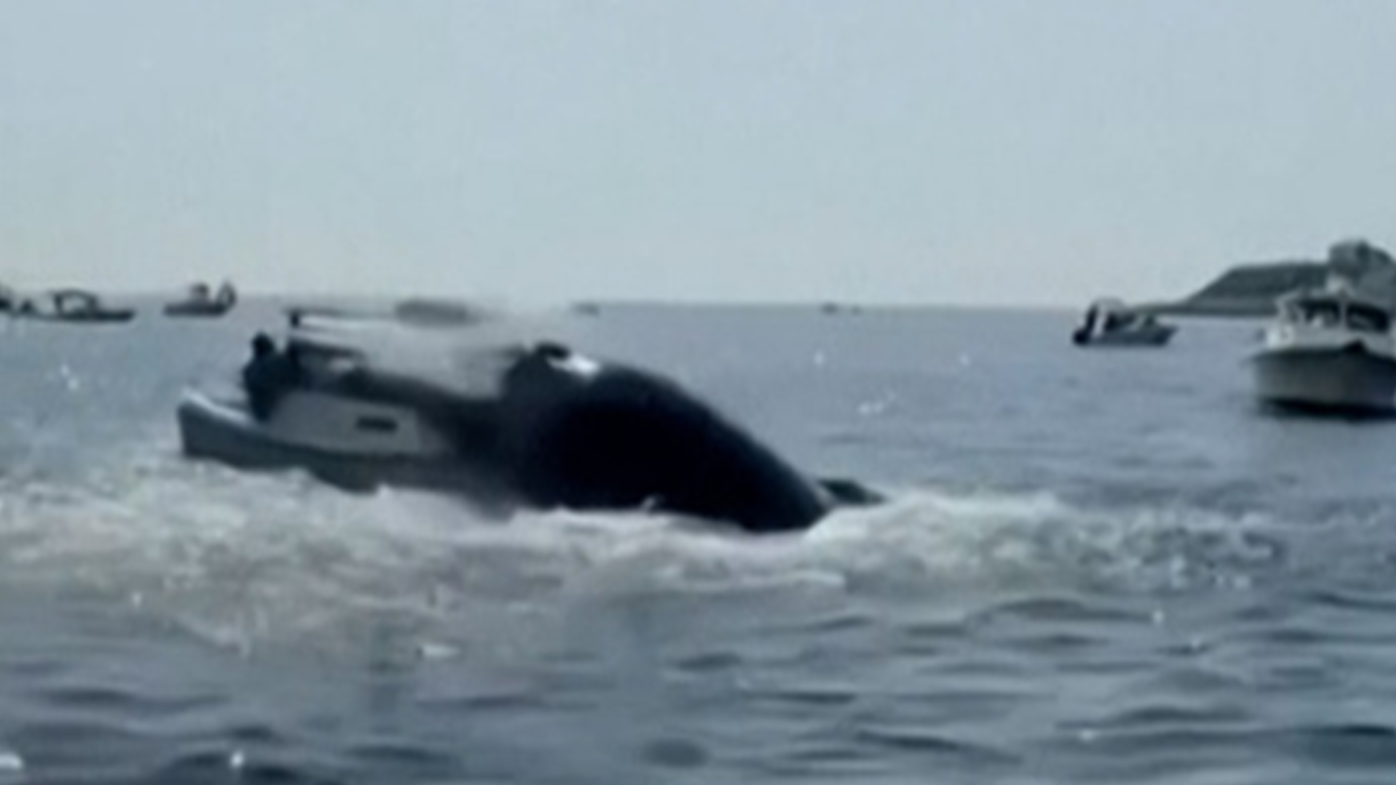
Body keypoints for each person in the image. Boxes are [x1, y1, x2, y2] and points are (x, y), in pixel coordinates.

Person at [242, 332, 301, 420]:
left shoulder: (251, 367)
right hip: (267, 401)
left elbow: (247, 378)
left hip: (260, 399)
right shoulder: (280, 361)